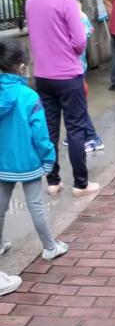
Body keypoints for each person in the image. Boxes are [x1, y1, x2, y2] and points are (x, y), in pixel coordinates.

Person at [24, 0, 99, 198]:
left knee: (50, 128)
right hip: (68, 74)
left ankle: (53, 180)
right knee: (76, 128)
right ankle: (81, 183)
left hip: (43, 75)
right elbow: (79, 41)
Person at [0, 38, 68, 262]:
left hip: (2, 163)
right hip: (29, 162)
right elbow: (41, 135)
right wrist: (48, 159)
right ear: (22, 67)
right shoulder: (29, 96)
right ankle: (50, 247)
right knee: (35, 206)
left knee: (1, 206)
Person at [63, 0, 104, 152]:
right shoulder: (81, 16)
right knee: (74, 104)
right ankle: (74, 133)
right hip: (78, 67)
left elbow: (78, 41)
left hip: (75, 68)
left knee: (77, 105)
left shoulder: (76, 16)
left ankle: (93, 137)